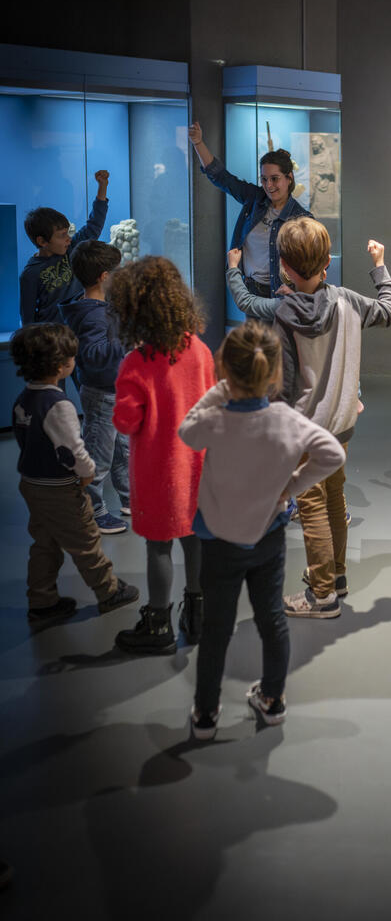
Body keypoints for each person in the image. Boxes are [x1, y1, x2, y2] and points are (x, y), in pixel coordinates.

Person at [179, 321, 346, 739]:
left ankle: (204, 714)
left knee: (216, 628)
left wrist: (220, 390)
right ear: (274, 375)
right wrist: (290, 487)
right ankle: (272, 700)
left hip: (217, 540)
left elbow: (186, 431)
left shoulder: (215, 417)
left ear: (223, 370)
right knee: (272, 620)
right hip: (267, 535)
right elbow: (332, 453)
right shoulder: (286, 419)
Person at [270, 218, 391, 619]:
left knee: (311, 509)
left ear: (285, 267)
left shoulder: (284, 314)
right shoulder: (348, 300)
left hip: (306, 433)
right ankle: (337, 576)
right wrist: (379, 266)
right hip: (342, 427)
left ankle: (322, 595)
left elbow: (283, 387)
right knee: (334, 499)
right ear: (327, 262)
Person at [109, 257, 216, 654]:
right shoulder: (199, 350)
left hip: (158, 471)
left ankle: (158, 624)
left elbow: (125, 421)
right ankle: (198, 613)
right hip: (198, 465)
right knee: (195, 539)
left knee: (158, 545)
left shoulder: (136, 363)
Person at [10, 323, 138, 628]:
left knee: (44, 543)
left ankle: (41, 601)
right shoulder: (59, 405)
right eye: (71, 358)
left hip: (32, 484)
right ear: (59, 365)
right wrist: (88, 474)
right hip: (59, 489)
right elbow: (74, 450)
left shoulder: (23, 399)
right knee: (86, 540)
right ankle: (109, 591)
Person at [188, 121, 312, 300]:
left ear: (289, 178)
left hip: (281, 296)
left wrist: (297, 294)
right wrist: (198, 143)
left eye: (275, 179)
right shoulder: (255, 199)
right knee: (252, 330)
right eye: (264, 179)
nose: (269, 185)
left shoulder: (302, 218)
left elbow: (316, 263)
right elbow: (221, 177)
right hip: (251, 291)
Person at [60, 240, 130, 535]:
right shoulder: (92, 315)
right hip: (103, 394)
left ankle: (130, 497)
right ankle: (92, 508)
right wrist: (127, 338)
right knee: (99, 456)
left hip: (114, 390)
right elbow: (94, 355)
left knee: (122, 449)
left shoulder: (99, 307)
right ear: (104, 276)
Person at [20, 170, 110, 325]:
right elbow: (28, 317)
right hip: (53, 339)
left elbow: (94, 225)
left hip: (79, 331)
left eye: (67, 233)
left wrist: (102, 187)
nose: (68, 239)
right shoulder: (30, 274)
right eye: (62, 235)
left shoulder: (72, 249)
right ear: (42, 241)